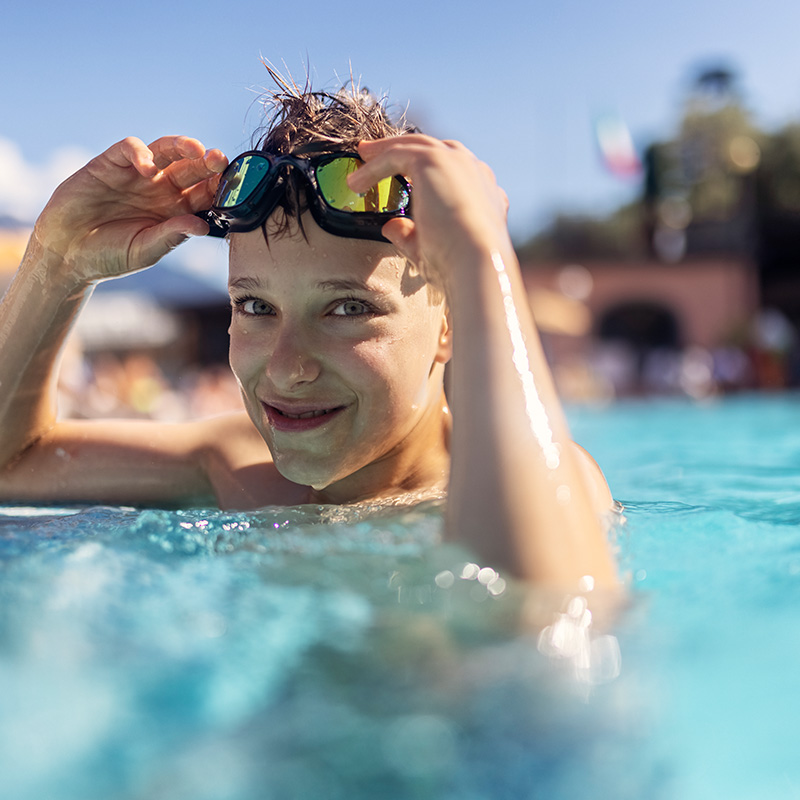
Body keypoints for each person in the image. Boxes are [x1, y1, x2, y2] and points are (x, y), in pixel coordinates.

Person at [0, 72, 618, 593]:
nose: (287, 367)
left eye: (348, 309)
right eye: (257, 307)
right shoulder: (233, 467)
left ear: (450, 319)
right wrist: (55, 263)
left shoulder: (551, 478)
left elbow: (543, 615)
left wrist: (483, 260)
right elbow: (12, 466)